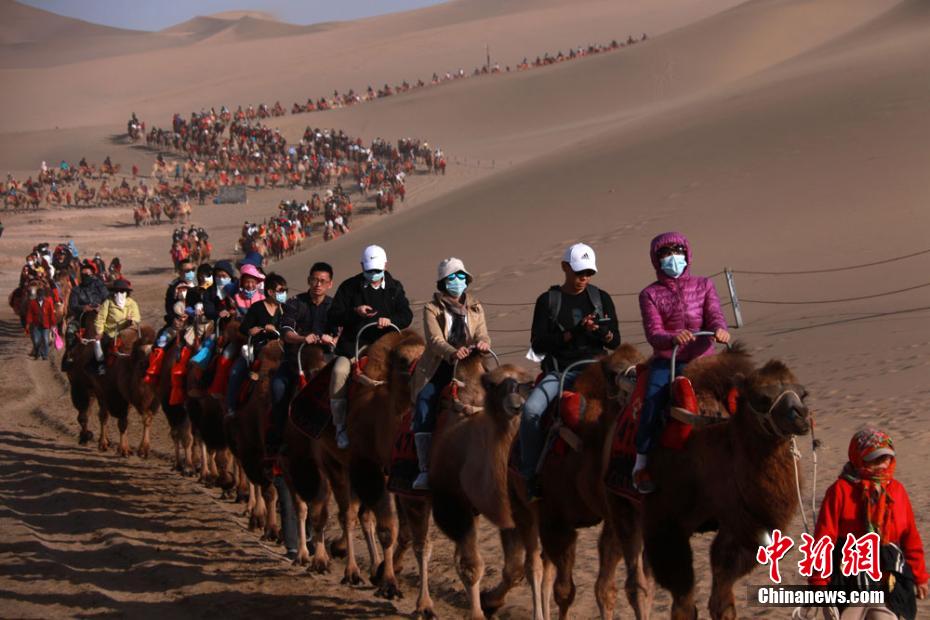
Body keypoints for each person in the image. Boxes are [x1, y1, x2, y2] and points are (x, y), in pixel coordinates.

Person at [521, 243, 620, 500]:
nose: (584, 278)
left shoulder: (601, 298)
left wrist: (600, 331)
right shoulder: (548, 301)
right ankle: (530, 475)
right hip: (560, 374)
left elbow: (615, 342)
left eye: (589, 273)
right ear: (565, 267)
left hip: (597, 374)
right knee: (531, 411)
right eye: (579, 272)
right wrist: (574, 332)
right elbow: (538, 345)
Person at [633, 232, 729, 494]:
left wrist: (720, 330)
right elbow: (654, 332)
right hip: (669, 361)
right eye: (665, 253)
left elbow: (715, 315)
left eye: (677, 251)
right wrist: (672, 338)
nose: (673, 257)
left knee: (739, 393)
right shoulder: (649, 294)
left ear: (687, 253)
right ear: (656, 259)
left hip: (704, 358)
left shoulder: (704, 285)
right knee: (652, 402)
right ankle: (642, 462)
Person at [808, 428, 927, 619]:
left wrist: (920, 577)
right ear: (859, 459)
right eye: (875, 459)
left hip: (888, 574)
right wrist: (818, 582)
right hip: (849, 574)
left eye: (886, 458)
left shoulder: (897, 491)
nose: (882, 464)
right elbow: (824, 539)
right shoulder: (840, 491)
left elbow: (910, 537)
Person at [409, 257, 490, 490]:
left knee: (499, 395)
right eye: (453, 277)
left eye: (461, 276)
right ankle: (424, 468)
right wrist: (453, 352)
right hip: (440, 365)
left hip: (472, 363)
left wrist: (483, 343)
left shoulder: (475, 306)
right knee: (425, 402)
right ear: (443, 282)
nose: (458, 280)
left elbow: (482, 332)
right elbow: (434, 340)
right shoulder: (431, 308)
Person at [326, 245, 413, 449]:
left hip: (387, 346)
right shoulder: (349, 287)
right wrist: (354, 312)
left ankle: (410, 420)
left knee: (411, 370)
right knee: (339, 372)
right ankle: (340, 426)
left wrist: (390, 320)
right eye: (369, 270)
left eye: (377, 270)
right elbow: (333, 315)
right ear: (362, 267)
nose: (373, 274)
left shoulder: (394, 288)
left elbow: (406, 315)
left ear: (385, 266)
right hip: (354, 346)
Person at [268, 262, 337, 455]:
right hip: (295, 361)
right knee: (278, 387)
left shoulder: (334, 306)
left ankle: (341, 434)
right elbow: (286, 332)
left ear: (330, 284)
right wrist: (302, 338)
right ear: (308, 280)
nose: (318, 284)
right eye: (314, 280)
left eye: (323, 281)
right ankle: (278, 437)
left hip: (326, 362)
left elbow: (342, 332)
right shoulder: (295, 303)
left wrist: (332, 339)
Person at [226, 272, 287, 416]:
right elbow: (243, 328)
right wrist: (258, 329)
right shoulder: (257, 307)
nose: (283, 294)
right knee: (235, 372)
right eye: (281, 290)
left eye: (285, 290)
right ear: (270, 292)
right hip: (258, 348)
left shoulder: (285, 309)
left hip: (281, 349)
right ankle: (231, 407)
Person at [62, 259, 109, 369]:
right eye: (83, 274)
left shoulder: (100, 287)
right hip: (81, 318)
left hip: (101, 316)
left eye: (87, 274)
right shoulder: (76, 290)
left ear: (92, 274)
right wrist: (83, 308)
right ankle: (70, 354)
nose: (85, 276)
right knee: (70, 330)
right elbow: (72, 306)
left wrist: (101, 307)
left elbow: (108, 299)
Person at [91, 279, 140, 374]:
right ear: (113, 292)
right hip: (110, 333)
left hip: (127, 333)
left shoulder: (132, 303)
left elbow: (137, 318)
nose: (119, 294)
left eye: (122, 291)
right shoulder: (108, 302)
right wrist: (99, 332)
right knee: (99, 343)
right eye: (117, 291)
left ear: (126, 293)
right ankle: (101, 364)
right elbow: (100, 319)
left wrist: (132, 320)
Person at [25, 279, 56, 360]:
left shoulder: (48, 302)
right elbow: (29, 314)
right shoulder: (32, 303)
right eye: (39, 295)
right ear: (37, 295)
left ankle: (45, 355)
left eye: (41, 296)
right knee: (36, 341)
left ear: (43, 295)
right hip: (36, 325)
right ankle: (38, 352)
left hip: (45, 325)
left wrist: (53, 324)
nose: (40, 297)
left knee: (45, 340)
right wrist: (28, 323)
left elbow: (51, 314)